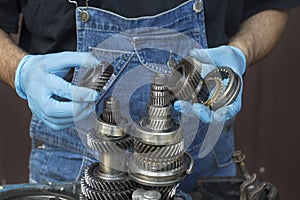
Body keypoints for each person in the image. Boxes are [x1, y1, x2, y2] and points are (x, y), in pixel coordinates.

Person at [0, 0, 299, 193]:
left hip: (201, 148)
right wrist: (22, 71)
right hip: (68, 152)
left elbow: (271, 4)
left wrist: (241, 52)